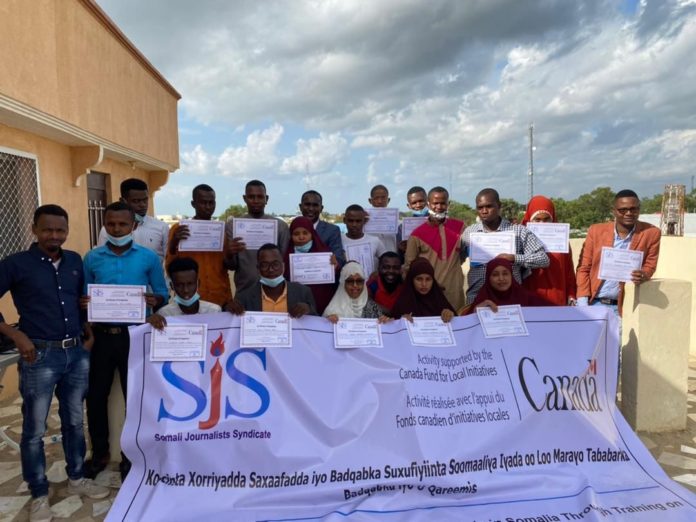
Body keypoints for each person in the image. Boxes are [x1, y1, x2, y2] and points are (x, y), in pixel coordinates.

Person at [0, 205, 109, 521]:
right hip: (39, 356)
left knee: (75, 420)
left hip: (76, 354)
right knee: (34, 429)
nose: (54, 236)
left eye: (60, 230)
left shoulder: (75, 261)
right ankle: (38, 492)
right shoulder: (16, 264)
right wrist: (15, 335)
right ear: (34, 229)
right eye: (47, 229)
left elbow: (79, 301)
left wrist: (87, 333)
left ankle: (76, 477)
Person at [83, 202, 169, 481]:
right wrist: (83, 302)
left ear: (133, 226)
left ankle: (132, 456)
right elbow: (83, 295)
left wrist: (155, 300)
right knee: (96, 397)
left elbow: (163, 294)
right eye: (111, 224)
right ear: (104, 225)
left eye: (122, 224)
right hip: (102, 338)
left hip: (135, 336)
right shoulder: (92, 258)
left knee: (136, 398)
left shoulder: (148, 258)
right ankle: (100, 453)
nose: (116, 229)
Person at [576, 189, 661, 316]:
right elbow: (583, 268)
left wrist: (644, 274)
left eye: (634, 209)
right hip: (594, 303)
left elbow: (650, 265)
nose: (628, 213)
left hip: (624, 306)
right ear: (614, 211)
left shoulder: (651, 233)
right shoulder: (596, 231)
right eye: (623, 210)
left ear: (639, 209)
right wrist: (583, 304)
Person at [462, 188, 549, 304]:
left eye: (489, 206)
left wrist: (515, 258)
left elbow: (543, 259)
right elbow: (457, 259)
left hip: (510, 299)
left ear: (499, 206)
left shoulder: (518, 232)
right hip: (476, 297)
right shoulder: (469, 233)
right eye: (480, 207)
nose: (484, 211)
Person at [166, 184, 233, 307]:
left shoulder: (221, 231)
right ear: (193, 203)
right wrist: (174, 242)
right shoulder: (179, 229)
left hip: (220, 298)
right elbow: (170, 267)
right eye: (203, 202)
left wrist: (232, 253)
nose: (208, 207)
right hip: (190, 300)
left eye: (211, 203)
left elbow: (228, 266)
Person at [404, 186, 467, 310]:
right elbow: (409, 267)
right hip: (427, 294)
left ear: (448, 204)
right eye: (435, 203)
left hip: (454, 293)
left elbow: (464, 256)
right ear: (428, 204)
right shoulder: (417, 234)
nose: (439, 207)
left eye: (442, 203)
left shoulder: (460, 227)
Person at [225, 180, 290, 293]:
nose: (256, 201)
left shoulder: (280, 226)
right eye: (251, 197)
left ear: (266, 199)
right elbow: (231, 266)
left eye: (260, 197)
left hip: (276, 292)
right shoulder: (232, 226)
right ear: (245, 199)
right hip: (245, 290)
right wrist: (229, 254)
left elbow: (285, 262)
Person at [228, 244, 317, 317]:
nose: (270, 269)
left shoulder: (303, 292)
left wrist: (308, 310)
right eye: (265, 265)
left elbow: (316, 322)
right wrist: (229, 309)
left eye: (275, 264)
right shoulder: (244, 297)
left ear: (283, 266)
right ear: (258, 269)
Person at [521, 195, 577, 306]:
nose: (542, 224)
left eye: (546, 219)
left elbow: (569, 271)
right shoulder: (521, 238)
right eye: (537, 220)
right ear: (529, 219)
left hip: (557, 297)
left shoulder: (562, 239)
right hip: (529, 298)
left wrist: (571, 295)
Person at [97, 178, 169, 261]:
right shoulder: (108, 230)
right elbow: (101, 259)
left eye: (145, 200)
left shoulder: (161, 227)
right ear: (123, 201)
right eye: (136, 201)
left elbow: (169, 260)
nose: (142, 205)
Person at [284, 216, 338, 315]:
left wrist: (334, 267)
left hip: (321, 302)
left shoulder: (324, 253)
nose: (301, 237)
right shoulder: (285, 256)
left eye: (305, 233)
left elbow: (333, 281)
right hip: (295, 304)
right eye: (296, 234)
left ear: (312, 234)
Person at [147, 257, 222, 330]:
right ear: (172, 286)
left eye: (190, 284)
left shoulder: (214, 312)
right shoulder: (164, 315)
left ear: (198, 283)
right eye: (179, 285)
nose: (186, 290)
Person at [462, 258, 554, 314]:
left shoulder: (527, 297)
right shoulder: (482, 300)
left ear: (511, 276)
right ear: (488, 278)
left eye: (505, 274)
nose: (501, 279)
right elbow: (465, 328)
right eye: (495, 275)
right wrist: (476, 313)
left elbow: (557, 313)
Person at [390, 258, 456, 323]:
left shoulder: (439, 301)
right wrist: (400, 322)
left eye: (428, 279)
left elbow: (457, 327)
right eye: (419, 279)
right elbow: (392, 327)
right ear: (411, 280)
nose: (424, 284)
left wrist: (450, 315)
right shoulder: (402, 304)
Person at [299, 190, 345, 268]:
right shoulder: (293, 230)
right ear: (300, 207)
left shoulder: (332, 230)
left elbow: (339, 257)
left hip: (325, 278)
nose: (311, 209)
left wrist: (336, 262)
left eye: (315, 205)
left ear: (321, 208)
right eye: (307, 204)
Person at [341, 204, 387, 276]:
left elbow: (386, 261)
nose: (354, 224)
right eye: (350, 221)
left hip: (369, 286)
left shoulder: (375, 241)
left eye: (358, 221)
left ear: (365, 221)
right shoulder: (338, 240)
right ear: (344, 220)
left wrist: (378, 272)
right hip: (346, 285)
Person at [396, 186, 429, 257]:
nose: (418, 205)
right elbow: (400, 254)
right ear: (409, 206)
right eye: (414, 203)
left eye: (421, 201)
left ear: (427, 201)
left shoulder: (438, 223)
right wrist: (402, 249)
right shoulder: (401, 229)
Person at [367, 184, 398, 253]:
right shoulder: (364, 222)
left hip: (392, 260)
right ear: (370, 201)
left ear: (388, 200)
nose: (380, 201)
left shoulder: (397, 222)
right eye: (376, 198)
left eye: (383, 198)